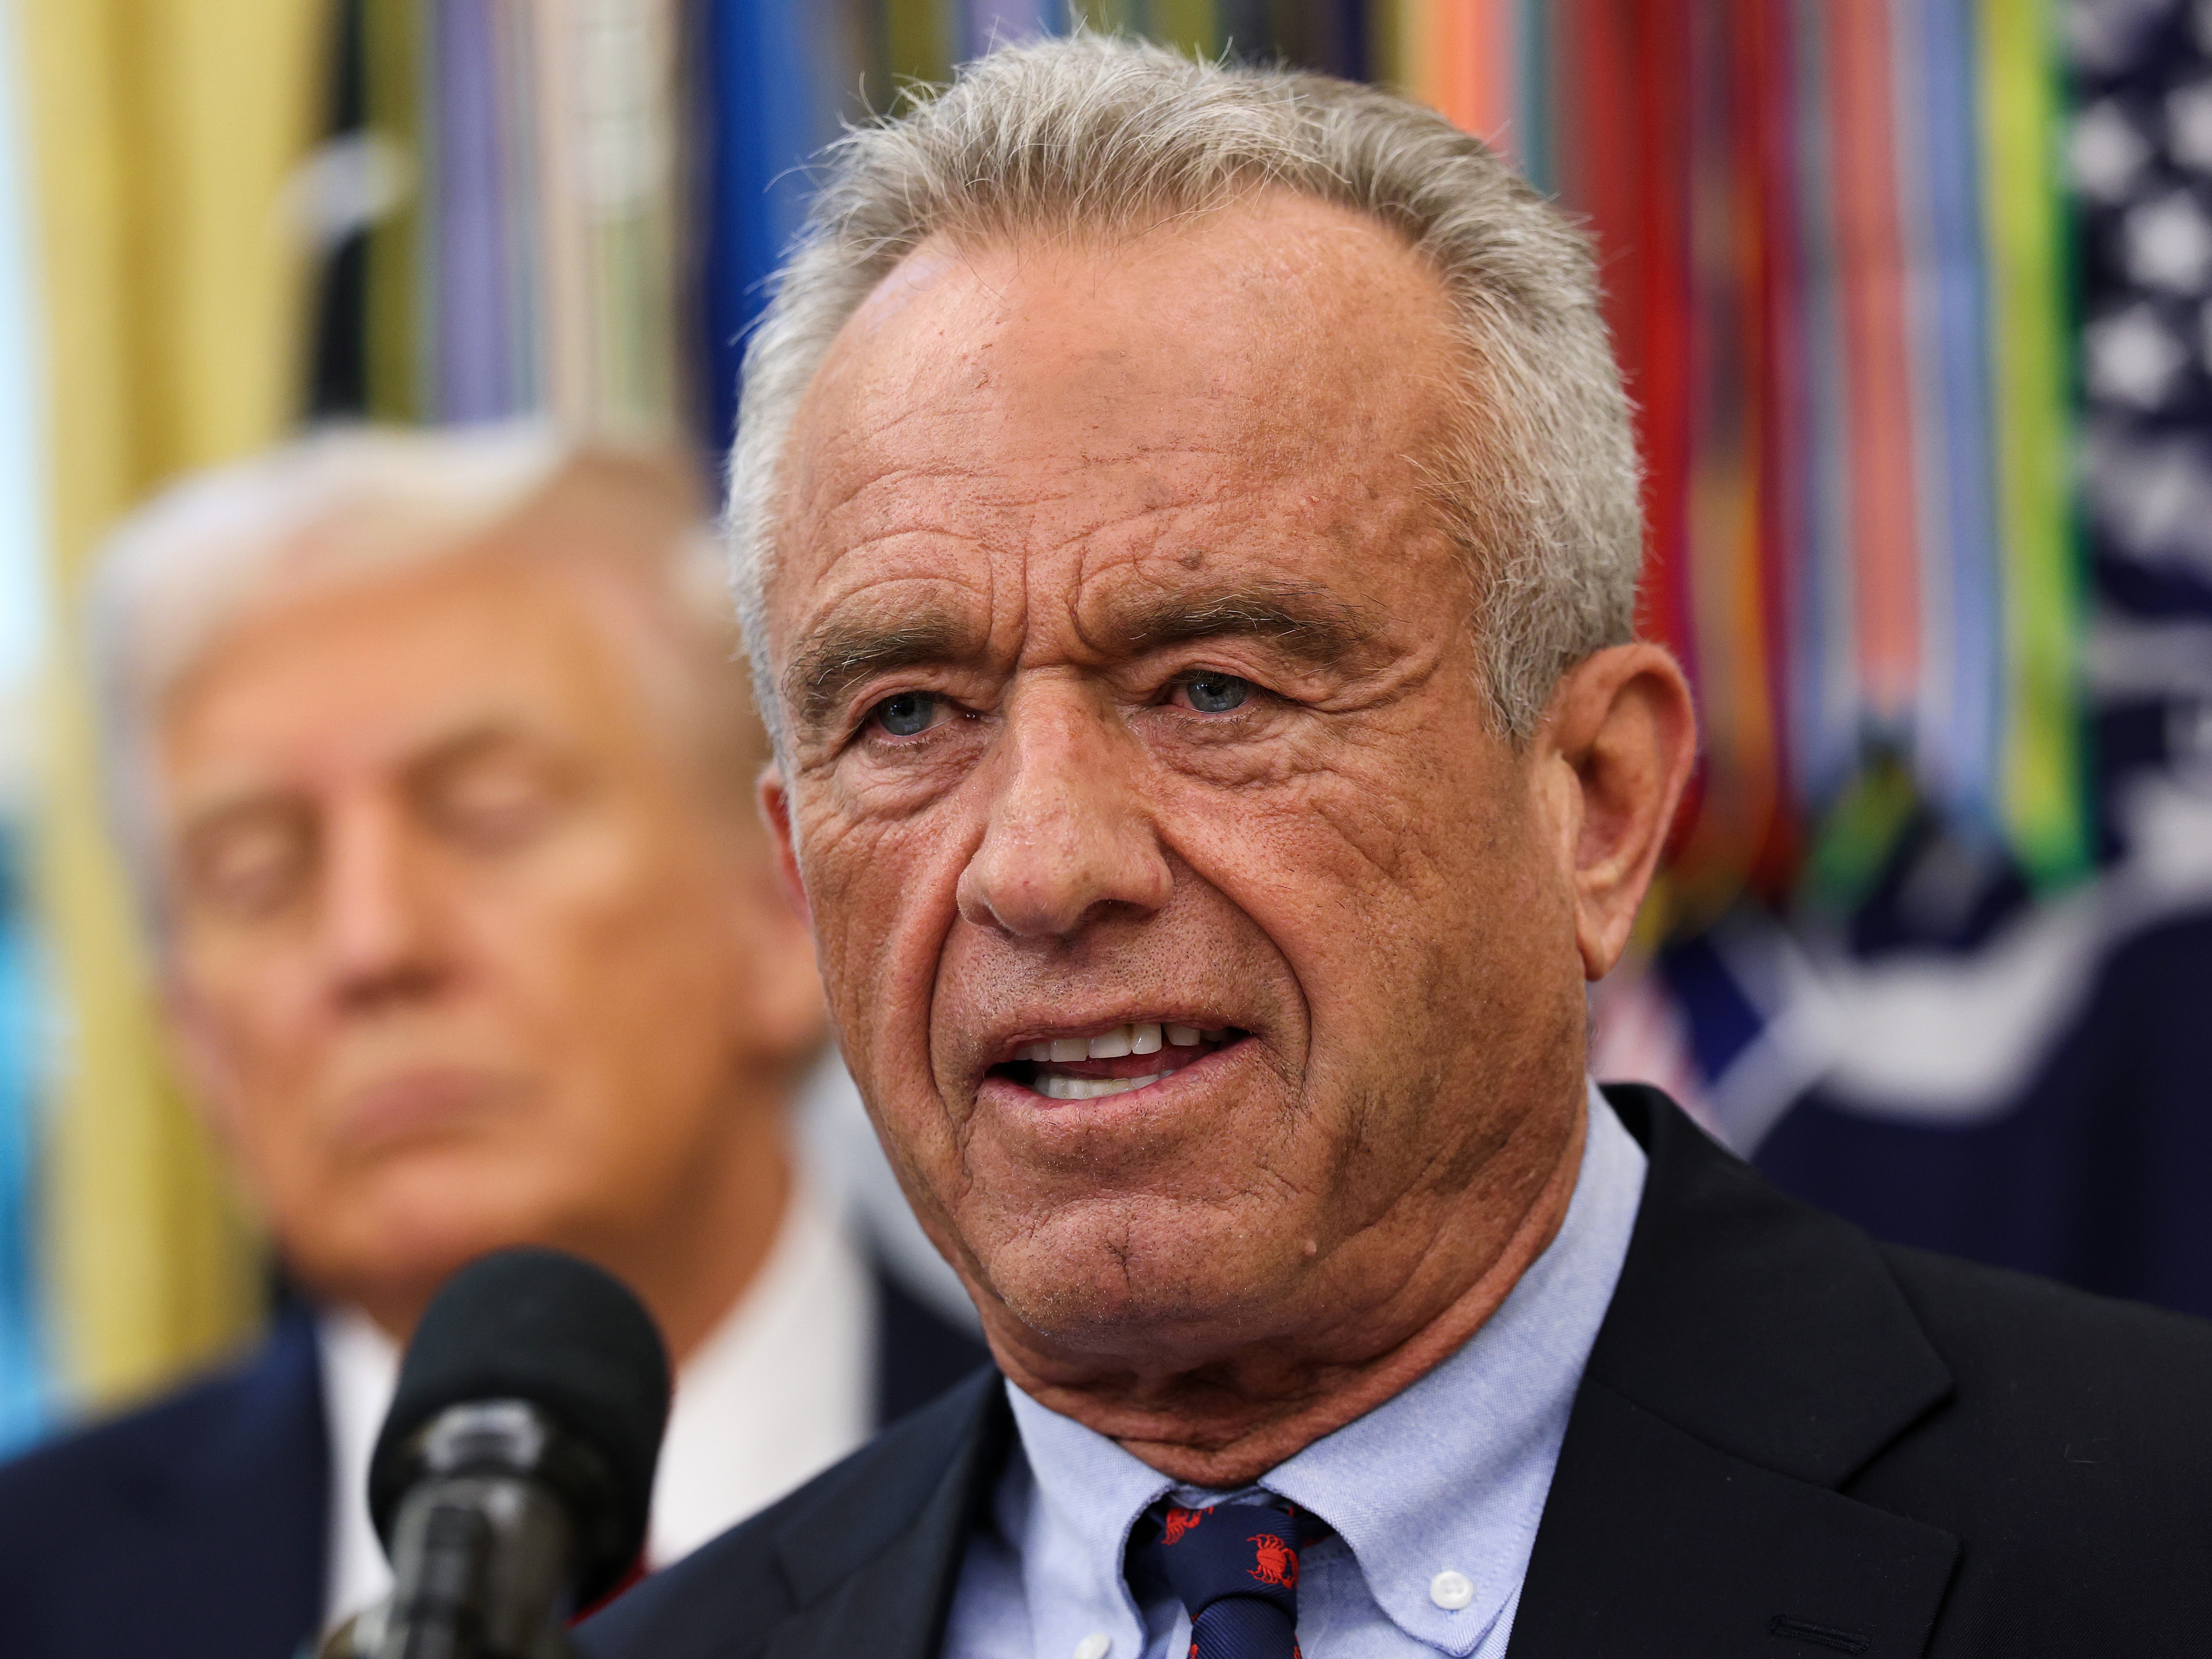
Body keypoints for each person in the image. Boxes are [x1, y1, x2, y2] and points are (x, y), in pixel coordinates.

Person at [580, 36, 2212, 1659]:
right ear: (801, 875)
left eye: (1215, 687)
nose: (1042, 864)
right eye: (912, 718)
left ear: (1598, 801)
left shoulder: (2156, 1538)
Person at [0, 429, 986, 1659]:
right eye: (257, 875)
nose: (372, 945)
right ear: (190, 1033)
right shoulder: (34, 1591)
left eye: (491, 817)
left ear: (785, 907)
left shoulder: (1121, 1510)